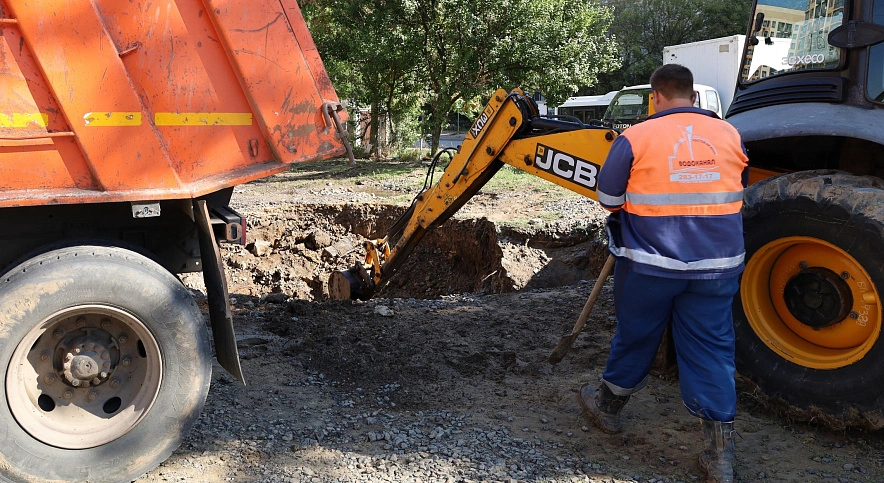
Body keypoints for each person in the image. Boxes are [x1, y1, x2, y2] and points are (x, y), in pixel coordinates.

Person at [578, 64, 749, 483]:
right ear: (692, 95)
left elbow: (607, 196)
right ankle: (718, 456)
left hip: (651, 265)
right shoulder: (729, 134)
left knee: (636, 336)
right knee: (713, 349)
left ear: (655, 96)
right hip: (717, 266)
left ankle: (607, 408)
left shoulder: (635, 137)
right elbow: (735, 183)